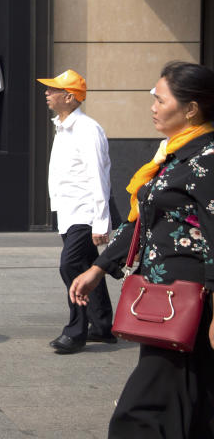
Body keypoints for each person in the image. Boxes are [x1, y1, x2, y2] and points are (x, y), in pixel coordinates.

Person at [71, 61, 214, 438]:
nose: (152, 106)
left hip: (192, 298)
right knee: (191, 398)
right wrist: (99, 267)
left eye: (159, 98)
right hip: (166, 296)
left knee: (141, 409)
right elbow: (140, 220)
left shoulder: (207, 160)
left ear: (191, 109)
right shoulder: (171, 156)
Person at [36, 69, 114, 354]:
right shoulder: (63, 126)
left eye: (53, 89)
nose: (47, 93)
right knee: (86, 266)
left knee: (69, 266)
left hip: (85, 212)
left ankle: (76, 331)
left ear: (69, 97)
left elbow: (98, 176)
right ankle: (103, 325)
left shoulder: (87, 129)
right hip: (69, 212)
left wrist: (101, 222)